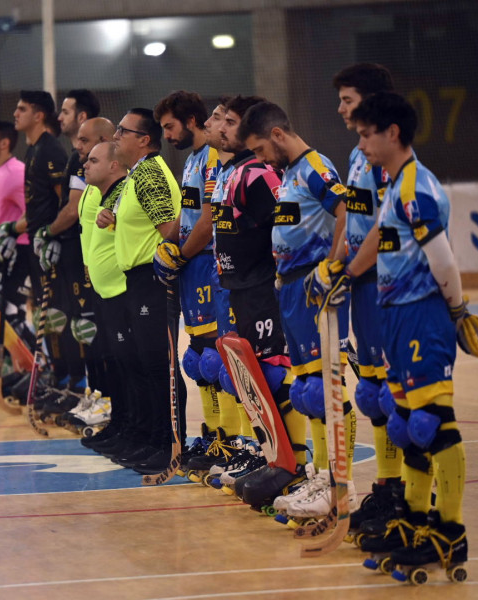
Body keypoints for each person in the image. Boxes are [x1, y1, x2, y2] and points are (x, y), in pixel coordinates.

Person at [342, 91, 478, 571]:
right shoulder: (393, 185)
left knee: (433, 425)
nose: (361, 144)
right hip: (395, 314)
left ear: (393, 134)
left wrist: (459, 311)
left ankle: (450, 533)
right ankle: (415, 519)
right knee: (406, 427)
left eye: (367, 134)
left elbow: (442, 258)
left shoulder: (416, 188)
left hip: (423, 314)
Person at [239, 101, 357, 514]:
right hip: (289, 287)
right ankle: (320, 479)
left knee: (326, 388)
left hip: (313, 285)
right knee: (306, 390)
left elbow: (347, 212)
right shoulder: (289, 174)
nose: (258, 159)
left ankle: (340, 484)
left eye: (257, 150)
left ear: (276, 135)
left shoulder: (314, 166)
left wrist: (333, 266)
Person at [206, 95, 311, 504]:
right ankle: (271, 458)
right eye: (223, 121)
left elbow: (282, 230)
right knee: (248, 377)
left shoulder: (257, 174)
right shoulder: (228, 173)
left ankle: (295, 466)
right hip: (238, 288)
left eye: (230, 122)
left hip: (264, 288)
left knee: (275, 375)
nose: (225, 129)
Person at [317, 63, 405, 530]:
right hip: (361, 281)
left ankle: (403, 496)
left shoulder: (388, 161)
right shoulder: (356, 154)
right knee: (371, 390)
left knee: (394, 397)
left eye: (348, 100)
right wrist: (335, 262)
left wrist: (349, 270)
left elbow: (382, 226)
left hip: (385, 284)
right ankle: (387, 489)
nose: (340, 108)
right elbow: (349, 219)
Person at [153, 90, 239, 480]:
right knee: (198, 359)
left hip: (208, 265)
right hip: (192, 266)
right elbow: (186, 221)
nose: (167, 135)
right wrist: (166, 247)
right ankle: (214, 434)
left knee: (216, 357)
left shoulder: (213, 161)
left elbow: (207, 223)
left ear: (191, 121)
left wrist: (182, 254)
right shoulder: (189, 162)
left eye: (170, 126)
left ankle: (234, 440)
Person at [94, 108, 181, 475]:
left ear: (144, 139)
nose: (116, 136)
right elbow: (136, 219)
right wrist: (110, 216)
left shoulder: (150, 174)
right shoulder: (135, 176)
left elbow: (171, 229)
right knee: (143, 365)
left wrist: (164, 265)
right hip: (136, 281)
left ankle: (167, 445)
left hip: (152, 279)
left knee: (158, 366)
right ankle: (147, 438)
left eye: (123, 131)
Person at [0, 91, 79, 400]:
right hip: (35, 244)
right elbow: (36, 211)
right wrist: (12, 228)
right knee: (43, 314)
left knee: (58, 314)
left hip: (52, 247)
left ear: (39, 115)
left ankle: (71, 381)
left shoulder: (51, 150)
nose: (15, 113)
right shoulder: (31, 150)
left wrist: (52, 236)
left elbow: (64, 204)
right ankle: (56, 375)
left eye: (21, 109)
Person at [33, 90, 102, 418]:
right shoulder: (76, 157)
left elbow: (73, 208)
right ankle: (77, 384)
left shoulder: (91, 159)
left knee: (86, 323)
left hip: (86, 253)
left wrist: (48, 232)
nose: (59, 117)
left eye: (66, 111)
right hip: (71, 250)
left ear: (83, 116)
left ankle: (93, 391)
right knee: (70, 320)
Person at [74, 138, 130, 447]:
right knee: (110, 356)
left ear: (113, 164)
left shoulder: (124, 190)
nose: (84, 162)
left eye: (93, 158)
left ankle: (139, 431)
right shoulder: (95, 190)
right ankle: (121, 424)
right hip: (101, 287)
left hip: (122, 289)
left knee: (129, 362)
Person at [0, 120, 34, 350]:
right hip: (1, 252)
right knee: (5, 311)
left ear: (4, 143)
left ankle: (39, 364)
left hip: (19, 250)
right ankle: (20, 366)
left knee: (12, 313)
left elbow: (32, 213)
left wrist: (12, 234)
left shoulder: (16, 172)